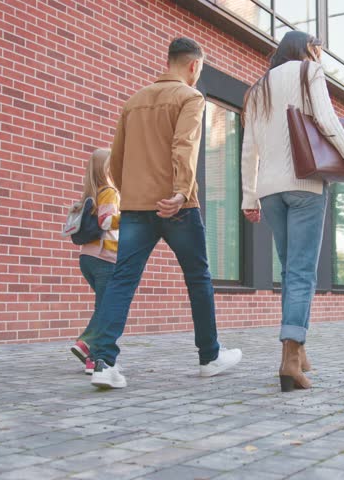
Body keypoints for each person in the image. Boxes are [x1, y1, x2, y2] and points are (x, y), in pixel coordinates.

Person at [86, 37, 242, 389]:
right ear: (193, 66)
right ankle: (209, 357)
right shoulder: (191, 97)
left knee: (122, 281)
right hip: (177, 206)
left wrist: (131, 194)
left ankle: (104, 363)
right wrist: (180, 191)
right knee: (198, 279)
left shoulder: (134, 101)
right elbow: (184, 145)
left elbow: (118, 157)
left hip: (137, 206)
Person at [240, 31, 344, 392]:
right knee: (301, 273)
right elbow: (329, 124)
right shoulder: (308, 72)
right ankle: (289, 359)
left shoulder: (257, 89)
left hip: (270, 193)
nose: (320, 54)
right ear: (305, 49)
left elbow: (248, 147)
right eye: (317, 48)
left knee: (290, 272)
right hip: (304, 187)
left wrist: (248, 196)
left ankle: (299, 352)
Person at [70, 148, 120, 375]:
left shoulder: (90, 193)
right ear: (108, 167)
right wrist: (129, 215)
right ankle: (88, 348)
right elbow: (107, 221)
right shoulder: (108, 191)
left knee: (103, 307)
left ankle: (91, 356)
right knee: (108, 309)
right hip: (105, 257)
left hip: (87, 258)